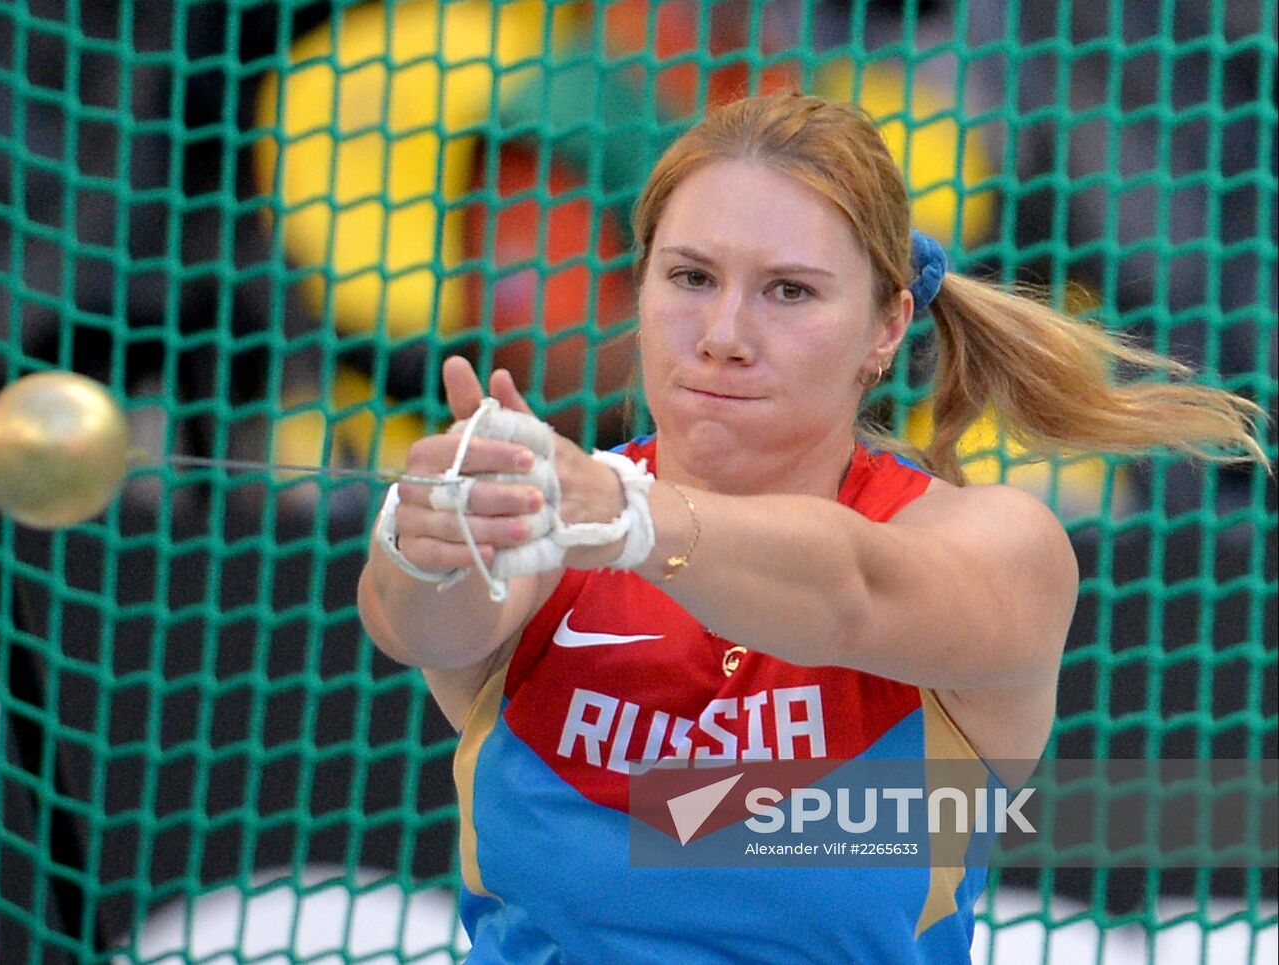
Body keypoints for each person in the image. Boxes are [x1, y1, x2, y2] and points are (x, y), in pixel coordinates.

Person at [357, 92, 1266, 963]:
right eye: (690, 276)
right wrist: (426, 538)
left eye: (788, 291)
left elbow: (851, 591)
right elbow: (416, 619)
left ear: (887, 326)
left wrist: (630, 518)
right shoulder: (553, 522)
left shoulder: (996, 543)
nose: (722, 332)